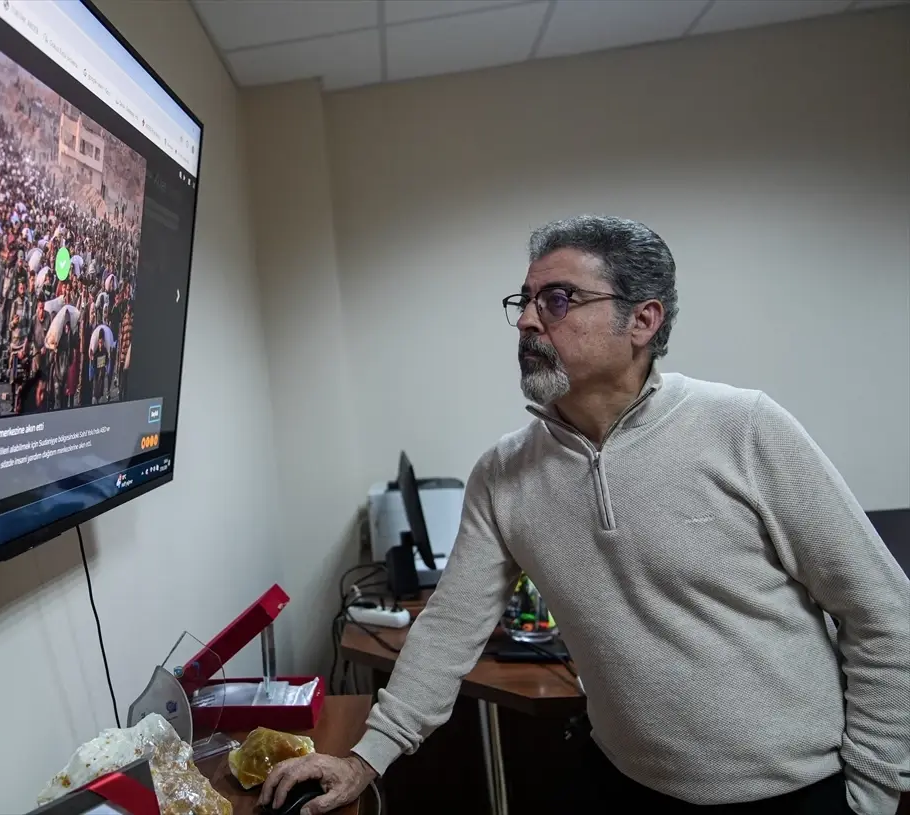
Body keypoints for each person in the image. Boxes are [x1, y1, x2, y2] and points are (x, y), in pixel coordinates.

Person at [260, 216, 910, 815]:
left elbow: (881, 612)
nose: (527, 322)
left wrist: (876, 793)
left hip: (795, 793)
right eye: (524, 301)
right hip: (624, 784)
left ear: (642, 320)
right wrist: (363, 758)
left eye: (558, 299)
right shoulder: (504, 474)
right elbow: (450, 628)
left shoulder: (745, 428)